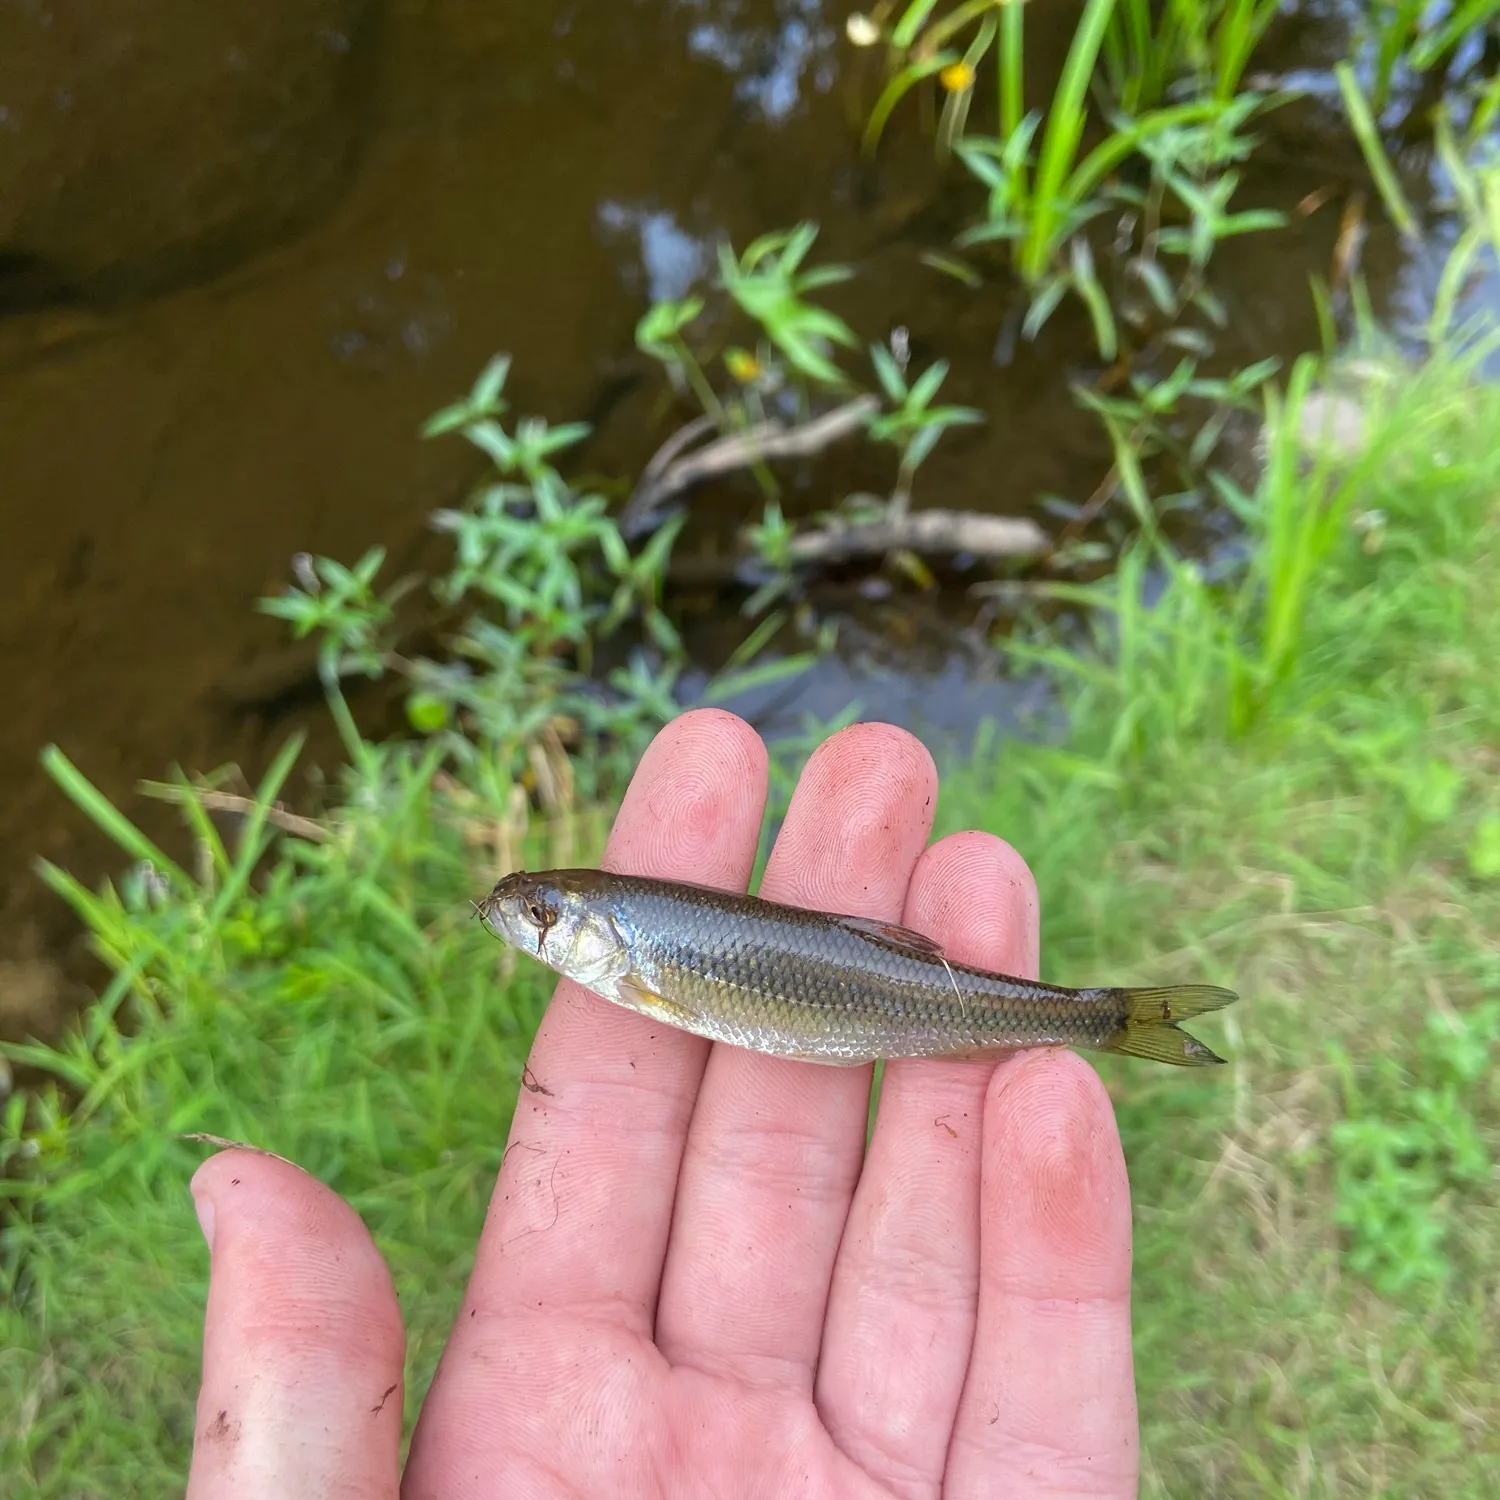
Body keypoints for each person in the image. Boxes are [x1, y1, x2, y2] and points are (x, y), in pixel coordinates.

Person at [184, 711, 1140, 1499]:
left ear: (603, 931)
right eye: (537, 918)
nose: (528, 927)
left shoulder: (645, 955)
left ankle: (1105, 1019)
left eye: (547, 920)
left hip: (879, 995)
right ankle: (1104, 1018)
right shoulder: (634, 951)